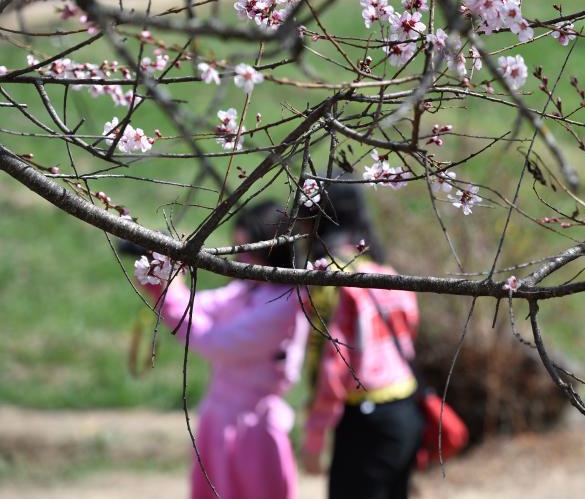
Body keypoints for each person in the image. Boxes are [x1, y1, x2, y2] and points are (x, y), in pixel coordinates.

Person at [135, 201, 309, 499]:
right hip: (218, 420)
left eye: (248, 250)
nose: (240, 258)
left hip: (254, 428)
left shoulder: (285, 304)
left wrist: (169, 293)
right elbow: (201, 306)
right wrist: (167, 277)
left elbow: (215, 343)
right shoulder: (250, 288)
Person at [301, 180, 423, 499]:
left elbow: (332, 368)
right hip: (406, 410)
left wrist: (314, 438)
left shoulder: (328, 281)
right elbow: (410, 335)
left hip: (365, 420)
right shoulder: (387, 273)